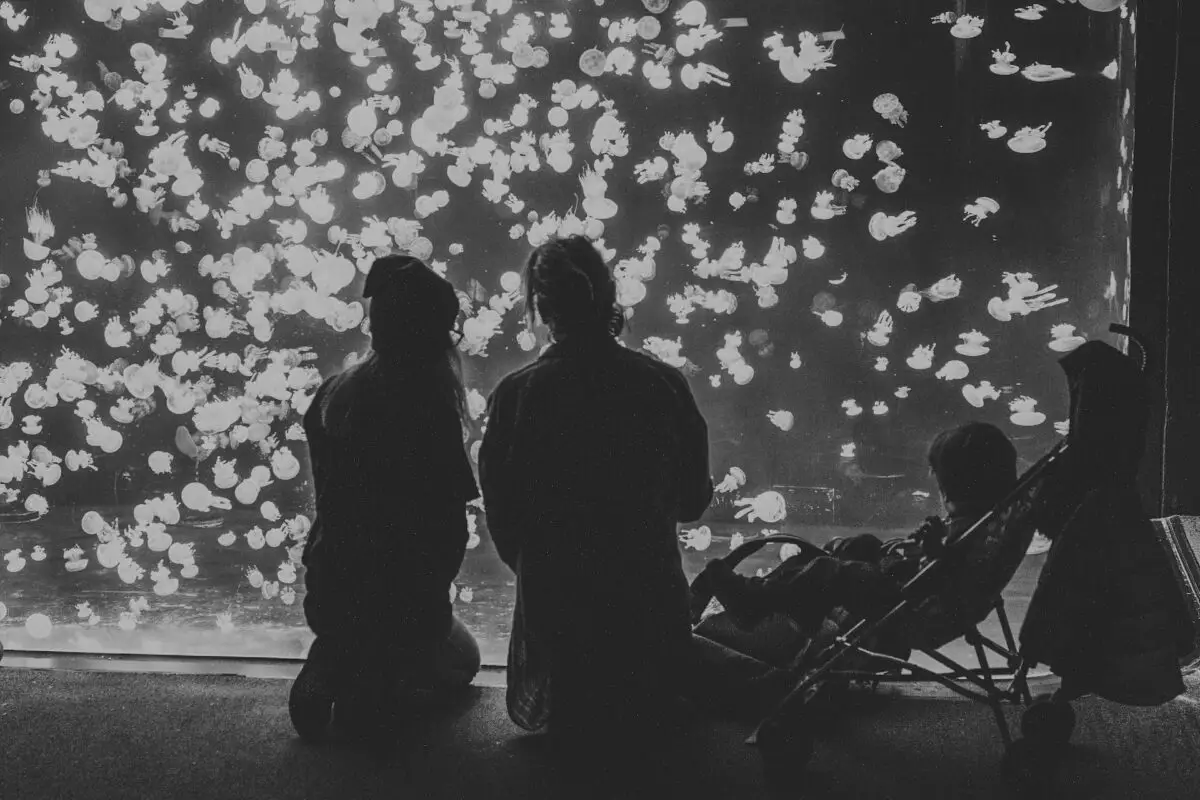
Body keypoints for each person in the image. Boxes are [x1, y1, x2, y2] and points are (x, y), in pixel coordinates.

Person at [479, 234, 730, 764]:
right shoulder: (663, 385)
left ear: (541, 307)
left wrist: (543, 565)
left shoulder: (515, 396)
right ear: (611, 295)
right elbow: (691, 502)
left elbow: (504, 521)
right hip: (647, 610)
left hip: (559, 621)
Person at [289, 255, 482, 745]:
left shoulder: (334, 394)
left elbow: (331, 501)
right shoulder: (427, 407)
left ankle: (334, 656)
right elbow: (448, 529)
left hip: (331, 589)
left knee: (359, 622)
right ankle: (377, 684)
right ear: (433, 335)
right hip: (403, 601)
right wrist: (429, 600)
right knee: (465, 660)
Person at [695, 422, 1020, 664]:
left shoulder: (972, 528)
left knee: (832, 571)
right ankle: (782, 592)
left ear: (957, 485)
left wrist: (933, 548)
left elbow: (943, 572)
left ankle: (760, 602)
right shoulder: (990, 519)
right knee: (860, 544)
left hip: (918, 610)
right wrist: (923, 546)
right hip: (914, 589)